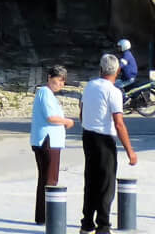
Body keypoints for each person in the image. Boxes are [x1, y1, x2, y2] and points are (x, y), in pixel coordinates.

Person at [78, 52, 136, 234]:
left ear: (101, 69)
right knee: (106, 183)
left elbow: (81, 110)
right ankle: (103, 225)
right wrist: (130, 151)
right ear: (118, 71)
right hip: (104, 138)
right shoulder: (114, 92)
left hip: (88, 136)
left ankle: (87, 222)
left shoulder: (89, 86)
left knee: (91, 179)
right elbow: (119, 122)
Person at [30, 64, 75, 225]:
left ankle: (43, 215)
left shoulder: (48, 94)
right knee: (50, 179)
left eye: (63, 81)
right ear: (50, 78)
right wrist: (67, 121)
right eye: (59, 80)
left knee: (46, 178)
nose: (61, 84)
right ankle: (48, 215)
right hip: (47, 141)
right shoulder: (45, 93)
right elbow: (51, 117)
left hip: (50, 141)